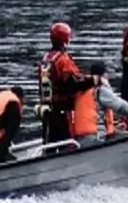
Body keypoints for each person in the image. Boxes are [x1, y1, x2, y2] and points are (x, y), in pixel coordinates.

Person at [36, 22, 103, 150]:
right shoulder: (62, 60)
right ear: (65, 39)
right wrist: (93, 80)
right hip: (61, 111)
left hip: (47, 109)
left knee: (49, 142)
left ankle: (46, 163)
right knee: (66, 144)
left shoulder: (45, 59)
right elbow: (74, 82)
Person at [68, 61, 128, 148]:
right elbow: (124, 108)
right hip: (96, 140)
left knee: (124, 134)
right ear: (104, 76)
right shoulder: (100, 91)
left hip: (81, 140)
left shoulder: (80, 92)